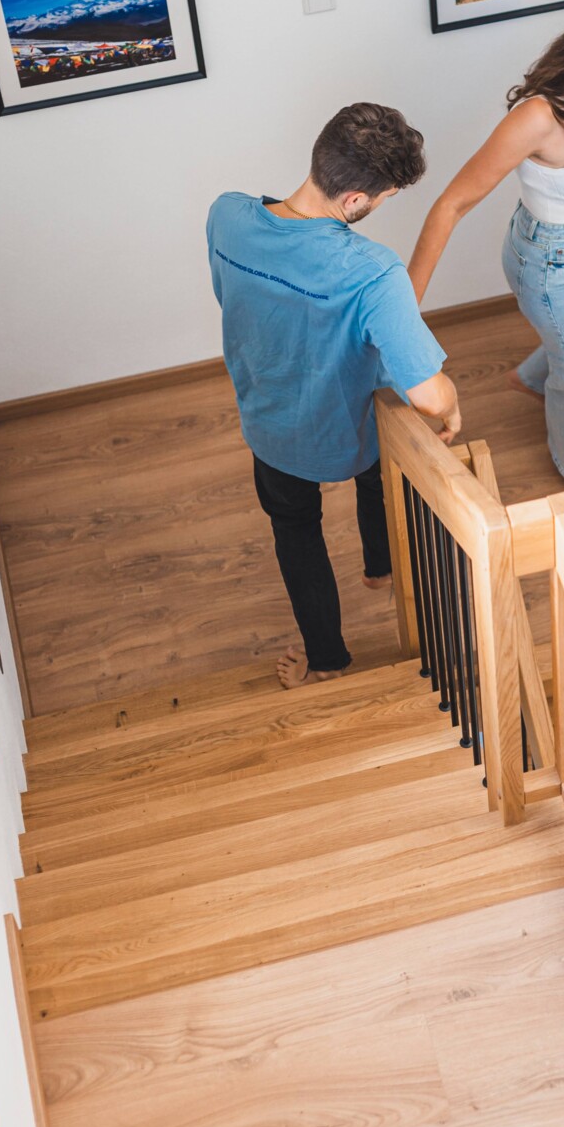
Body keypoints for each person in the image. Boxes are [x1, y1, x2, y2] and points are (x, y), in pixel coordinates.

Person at [207, 102, 461, 689]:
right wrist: (449, 404)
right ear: (355, 201)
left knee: (296, 535)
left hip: (271, 427)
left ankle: (325, 661)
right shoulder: (372, 271)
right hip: (356, 426)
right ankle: (381, 568)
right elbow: (425, 394)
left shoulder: (226, 215)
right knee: (377, 478)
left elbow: (236, 301)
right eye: (386, 197)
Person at [408, 6, 564, 482]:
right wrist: (405, 311)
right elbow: (451, 204)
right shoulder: (537, 120)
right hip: (552, 260)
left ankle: (534, 381)